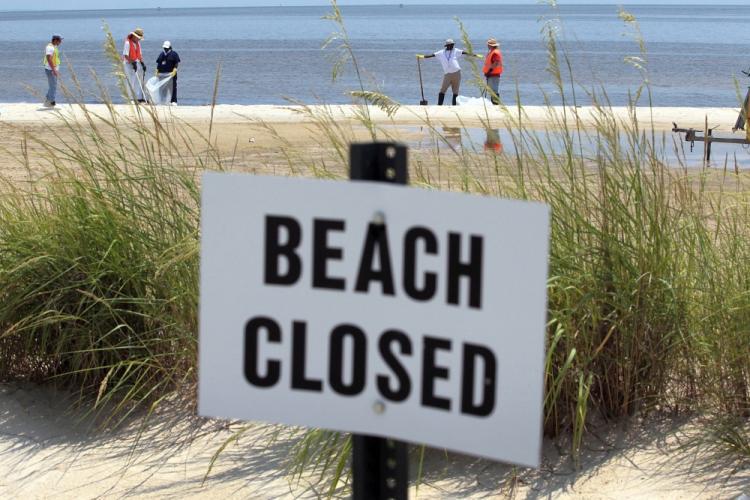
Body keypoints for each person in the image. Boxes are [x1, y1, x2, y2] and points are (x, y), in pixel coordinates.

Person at [417, 39, 481, 106]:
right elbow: (432, 55)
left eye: (453, 44)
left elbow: (464, 53)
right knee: (442, 90)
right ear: (447, 45)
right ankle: (439, 105)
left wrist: (475, 55)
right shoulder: (441, 52)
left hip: (457, 73)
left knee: (455, 91)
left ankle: (454, 106)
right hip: (447, 74)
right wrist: (422, 56)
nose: (453, 46)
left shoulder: (455, 50)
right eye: (451, 45)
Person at [123, 28, 146, 102]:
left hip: (137, 63)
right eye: (138, 38)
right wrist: (132, 62)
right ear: (134, 36)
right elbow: (126, 55)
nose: (139, 40)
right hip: (128, 64)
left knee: (137, 81)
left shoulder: (138, 43)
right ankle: (130, 99)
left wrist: (142, 63)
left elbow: (140, 55)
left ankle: (137, 97)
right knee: (130, 81)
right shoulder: (127, 43)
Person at [156, 40, 180, 105]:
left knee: (172, 87)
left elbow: (176, 63)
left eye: (166, 48)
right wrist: (157, 70)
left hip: (171, 74)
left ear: (170, 47)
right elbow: (159, 63)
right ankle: (163, 101)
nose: (165, 49)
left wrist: (175, 69)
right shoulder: (161, 54)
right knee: (162, 88)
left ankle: (173, 101)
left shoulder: (174, 54)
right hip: (162, 74)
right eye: (164, 48)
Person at [43, 34, 63, 108]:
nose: (60, 42)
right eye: (59, 40)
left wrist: (56, 69)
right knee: (53, 86)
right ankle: (51, 102)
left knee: (53, 86)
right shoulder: (50, 47)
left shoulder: (54, 46)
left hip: (52, 69)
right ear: (55, 40)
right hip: (50, 69)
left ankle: (48, 100)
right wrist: (54, 70)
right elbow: (49, 59)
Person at [483, 38, 503, 105]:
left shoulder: (495, 53)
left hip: (493, 74)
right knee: (492, 91)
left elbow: (496, 63)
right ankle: (495, 104)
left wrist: (489, 71)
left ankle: (496, 104)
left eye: (488, 45)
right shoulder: (493, 51)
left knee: (494, 91)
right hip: (492, 74)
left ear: (491, 45)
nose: (487, 46)